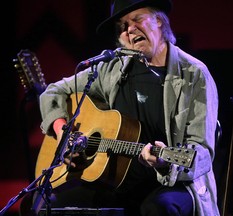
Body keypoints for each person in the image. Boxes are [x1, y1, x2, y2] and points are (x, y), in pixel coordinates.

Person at [36, 0, 220, 215]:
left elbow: (202, 153)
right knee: (51, 206)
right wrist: (63, 135)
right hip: (117, 181)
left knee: (158, 208)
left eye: (137, 19)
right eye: (122, 26)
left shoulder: (194, 74)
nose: (130, 29)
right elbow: (53, 92)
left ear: (159, 21)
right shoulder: (111, 70)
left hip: (174, 184)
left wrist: (164, 163)